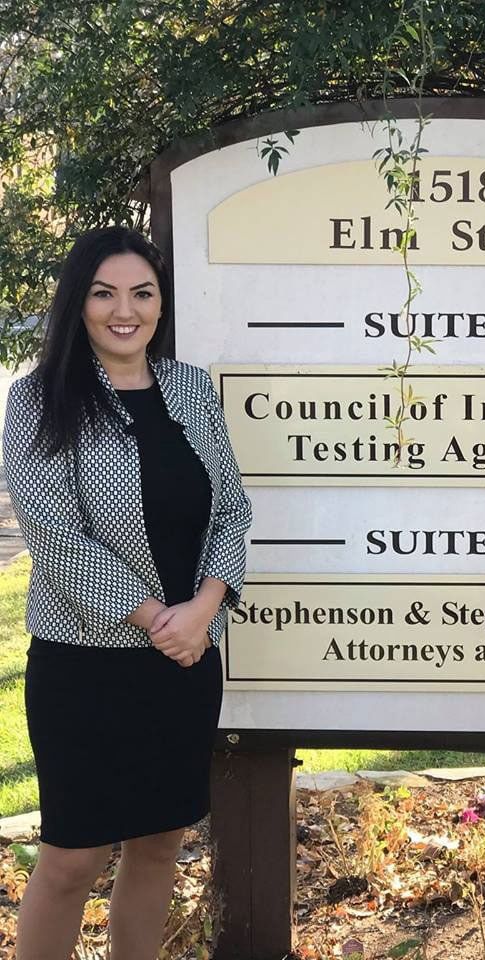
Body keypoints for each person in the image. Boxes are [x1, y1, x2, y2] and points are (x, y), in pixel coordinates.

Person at [3, 226, 252, 960]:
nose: (125, 310)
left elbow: (231, 508)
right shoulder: (37, 399)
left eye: (142, 293)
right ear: (77, 304)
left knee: (157, 844)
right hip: (85, 666)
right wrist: (156, 619)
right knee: (72, 858)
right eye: (105, 292)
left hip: (184, 662)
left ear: (159, 303)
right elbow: (53, 532)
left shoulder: (191, 388)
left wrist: (204, 608)